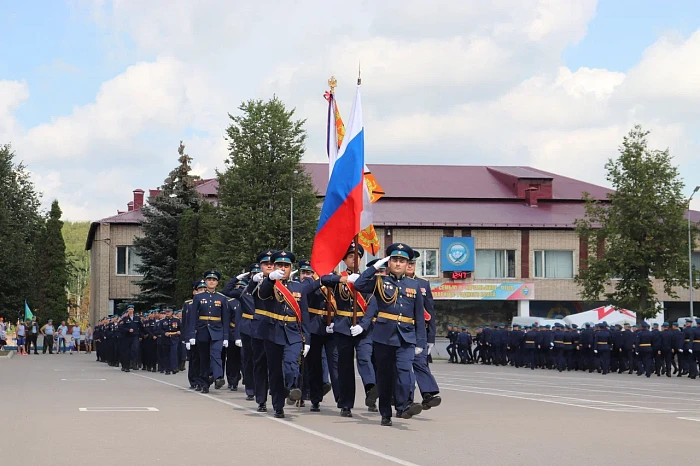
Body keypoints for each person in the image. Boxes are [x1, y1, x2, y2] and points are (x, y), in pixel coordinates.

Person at [353, 242, 426, 427]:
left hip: (406, 337)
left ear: (407, 263)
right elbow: (359, 285)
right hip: (383, 337)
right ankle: (385, 412)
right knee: (385, 378)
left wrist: (421, 342)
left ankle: (405, 405)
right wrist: (375, 267)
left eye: (402, 261)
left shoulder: (414, 285)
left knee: (405, 371)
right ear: (389, 262)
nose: (398, 264)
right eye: (395, 260)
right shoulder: (380, 282)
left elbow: (419, 315)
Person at [258, 250, 311, 419]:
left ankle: (291, 387)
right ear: (273, 266)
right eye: (279, 265)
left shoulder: (299, 287)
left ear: (291, 268)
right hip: (273, 332)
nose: (283, 268)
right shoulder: (269, 284)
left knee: (291, 363)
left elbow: (305, 314)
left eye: (286, 265)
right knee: (274, 371)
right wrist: (270, 278)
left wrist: (307, 338)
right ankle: (278, 405)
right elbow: (263, 293)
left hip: (293, 332)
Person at [185, 270, 230, 393]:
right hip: (202, 330)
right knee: (203, 358)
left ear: (217, 282)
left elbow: (225, 318)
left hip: (217, 330)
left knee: (216, 354)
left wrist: (226, 336)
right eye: (209, 279)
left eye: (214, 280)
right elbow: (193, 317)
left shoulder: (222, 298)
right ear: (206, 281)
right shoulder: (198, 297)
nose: (211, 282)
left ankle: (219, 376)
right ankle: (204, 383)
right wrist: (192, 335)